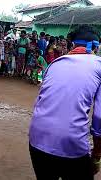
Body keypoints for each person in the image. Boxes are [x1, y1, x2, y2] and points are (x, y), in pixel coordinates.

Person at [29, 25, 101, 180]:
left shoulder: (55, 63)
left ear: (72, 45)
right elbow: (100, 118)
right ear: (96, 47)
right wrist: (96, 155)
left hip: (37, 139)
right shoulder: (99, 65)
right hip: (72, 145)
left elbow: (41, 101)